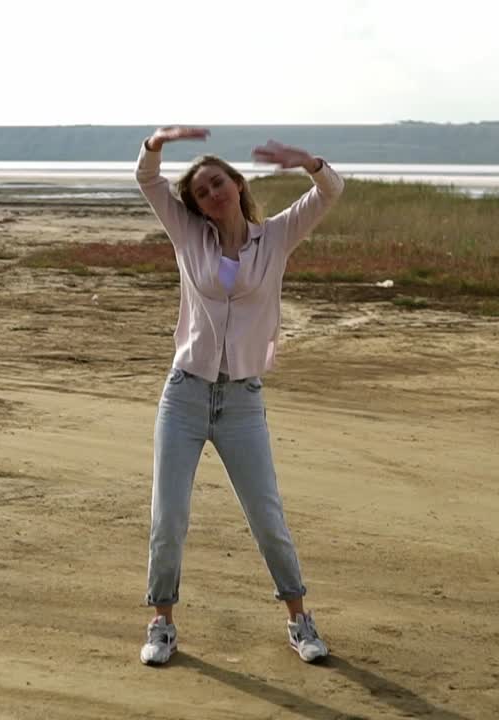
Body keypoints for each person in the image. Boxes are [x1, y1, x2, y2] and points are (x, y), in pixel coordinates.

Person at [134, 126, 345, 666]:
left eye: (218, 183)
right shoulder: (188, 237)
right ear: (197, 207)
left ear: (237, 182)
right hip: (184, 393)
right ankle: (162, 623)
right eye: (202, 191)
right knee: (169, 516)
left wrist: (308, 161)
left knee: (266, 514)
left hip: (242, 399)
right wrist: (157, 140)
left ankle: (300, 620)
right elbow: (148, 180)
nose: (212, 194)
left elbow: (330, 193)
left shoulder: (273, 237)